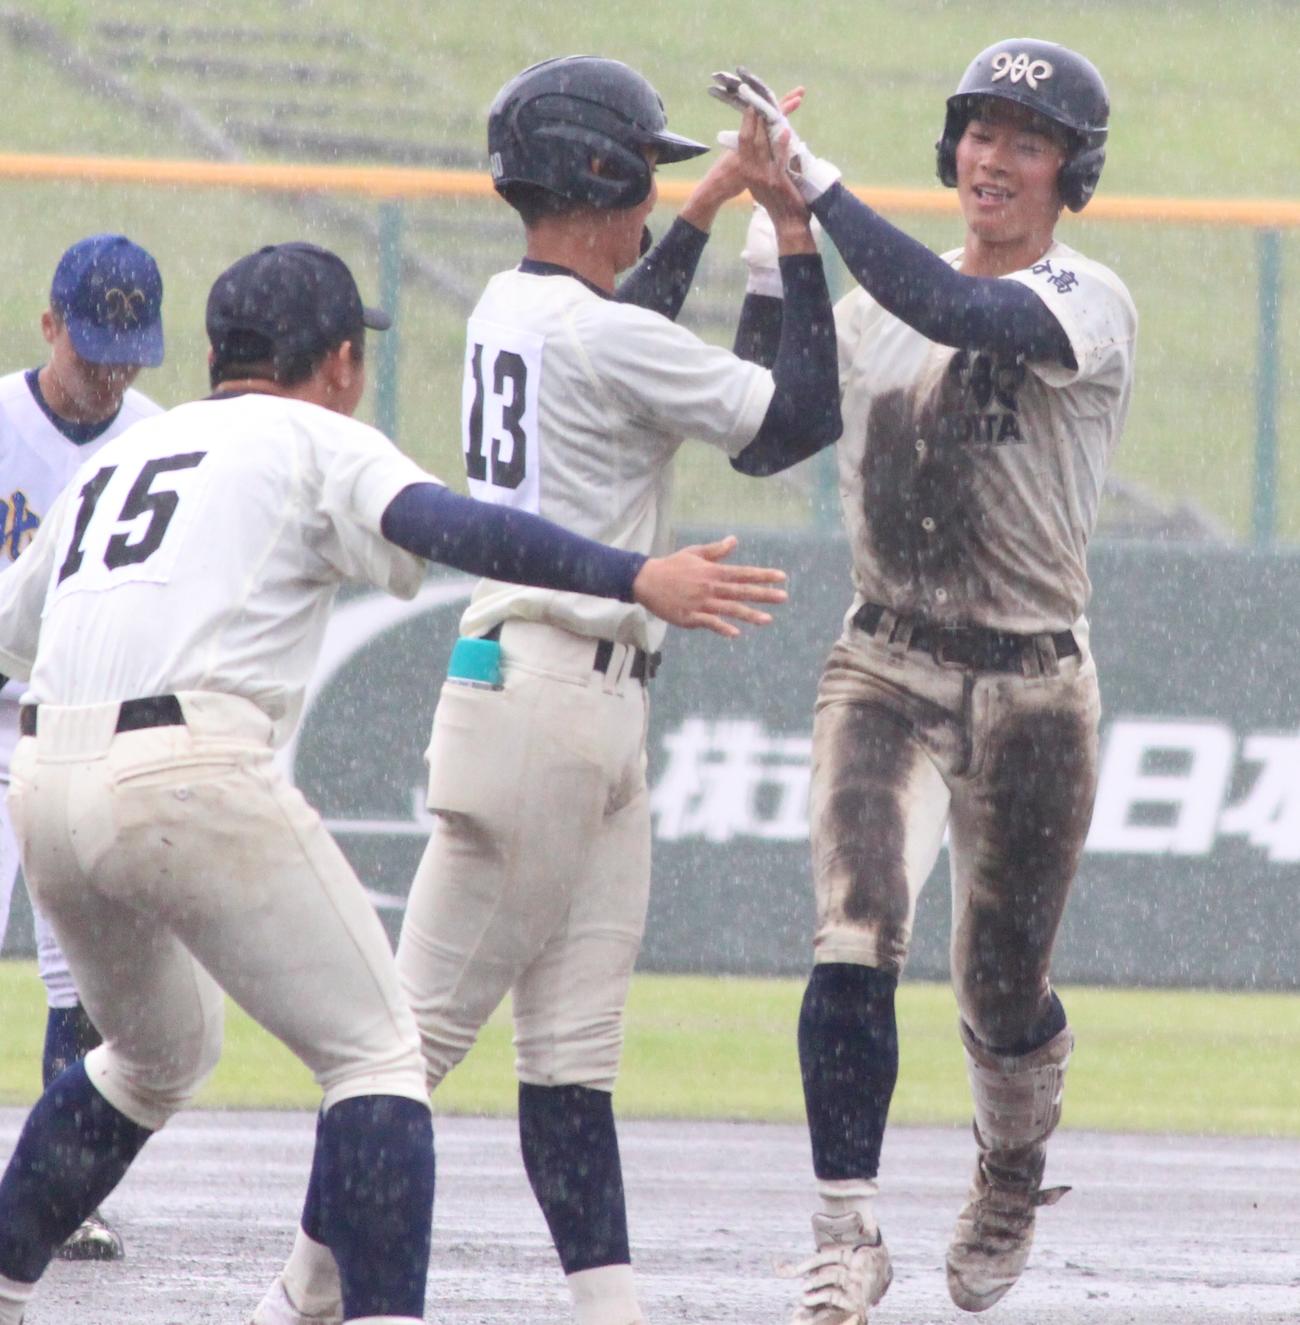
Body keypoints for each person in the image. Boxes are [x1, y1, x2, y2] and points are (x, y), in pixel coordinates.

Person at [0, 239, 790, 1325]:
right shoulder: (317, 432)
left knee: (151, 1053)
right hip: (184, 767)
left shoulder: (119, 459)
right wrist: (631, 573)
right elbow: (456, 525)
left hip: (44, 778)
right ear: (336, 360)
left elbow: (14, 625)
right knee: (379, 1055)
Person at [254, 54, 840, 1325]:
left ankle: (604, 1309)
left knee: (569, 1063)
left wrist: (704, 209)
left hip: (569, 706)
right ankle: (298, 1292)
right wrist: (781, 233)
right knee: (398, 1048)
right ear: (600, 176)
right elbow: (790, 419)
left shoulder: (509, 306)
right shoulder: (595, 326)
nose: (651, 200)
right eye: (646, 178)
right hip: (544, 705)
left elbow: (628, 334)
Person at [712, 38, 1137, 1321]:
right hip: (886, 657)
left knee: (1000, 984)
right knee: (853, 932)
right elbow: (769, 428)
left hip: (1032, 682)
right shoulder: (873, 302)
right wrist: (777, 234)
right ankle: (844, 1229)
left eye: (1025, 138)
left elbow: (962, 314)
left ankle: (1010, 1165)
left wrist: (820, 184)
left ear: (1073, 170)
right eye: (977, 131)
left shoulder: (1086, 291)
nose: (991, 158)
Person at [0, 232, 165, 1261]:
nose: (109, 371)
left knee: (90, 978)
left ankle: (63, 1189)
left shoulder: (153, 435)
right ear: (49, 323)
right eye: (91, 345)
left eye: (128, 350)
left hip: (75, 727)